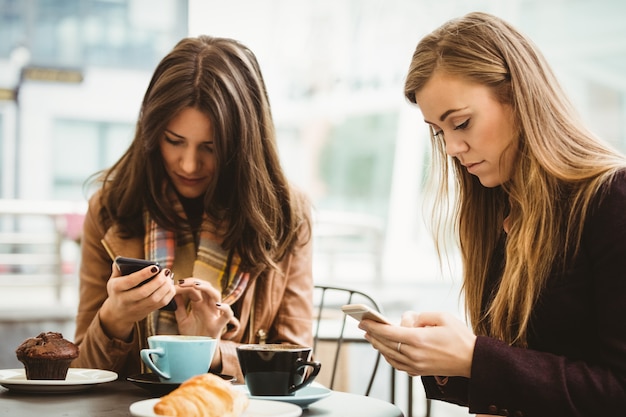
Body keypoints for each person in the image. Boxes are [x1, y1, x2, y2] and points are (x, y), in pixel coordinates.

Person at [359, 12, 626, 416]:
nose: (450, 149)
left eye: (461, 123)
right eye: (438, 131)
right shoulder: (498, 211)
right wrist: (441, 357)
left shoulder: (612, 200)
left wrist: (475, 357)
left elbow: (617, 392)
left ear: (519, 97)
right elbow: (530, 385)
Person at [72, 35, 313, 382]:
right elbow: (81, 375)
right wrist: (115, 318)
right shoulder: (110, 208)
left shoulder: (287, 214)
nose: (188, 164)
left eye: (211, 148)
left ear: (243, 146)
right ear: (152, 133)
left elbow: (297, 367)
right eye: (174, 141)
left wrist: (211, 354)